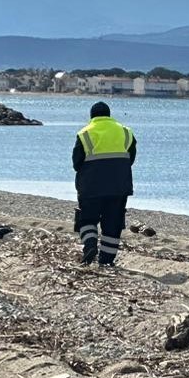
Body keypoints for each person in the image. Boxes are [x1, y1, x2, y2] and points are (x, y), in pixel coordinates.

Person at [72, 101, 137, 266]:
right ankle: (106, 261)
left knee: (87, 219)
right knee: (113, 224)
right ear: (109, 115)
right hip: (119, 186)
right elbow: (131, 158)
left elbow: (76, 163)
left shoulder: (85, 133)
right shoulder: (125, 132)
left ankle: (90, 245)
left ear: (92, 116)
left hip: (90, 186)